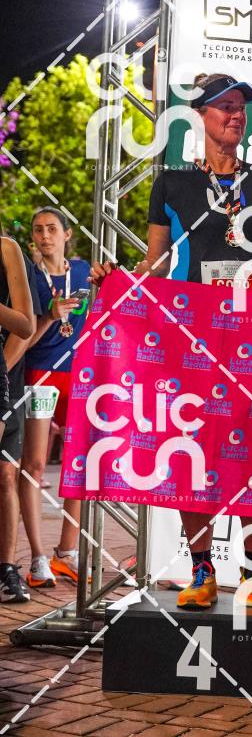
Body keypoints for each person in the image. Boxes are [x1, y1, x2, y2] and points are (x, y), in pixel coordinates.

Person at [92, 72, 252, 611]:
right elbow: (157, 264)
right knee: (193, 452)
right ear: (199, 116)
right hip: (191, 337)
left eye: (240, 107)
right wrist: (119, 284)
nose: (235, 115)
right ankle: (202, 572)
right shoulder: (172, 184)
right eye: (224, 106)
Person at [21, 208, 91, 588]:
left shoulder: (83, 272)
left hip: (78, 375)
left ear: (67, 234)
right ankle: (36, 558)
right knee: (33, 465)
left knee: (77, 465)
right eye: (38, 230)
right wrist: (49, 315)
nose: (44, 236)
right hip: (40, 373)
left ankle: (66, 552)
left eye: (51, 229)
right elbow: (23, 339)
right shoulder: (28, 277)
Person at [0, 232, 35, 601]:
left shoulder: (6, 248)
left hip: (5, 374)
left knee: (5, 475)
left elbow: (26, 326)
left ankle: (6, 568)